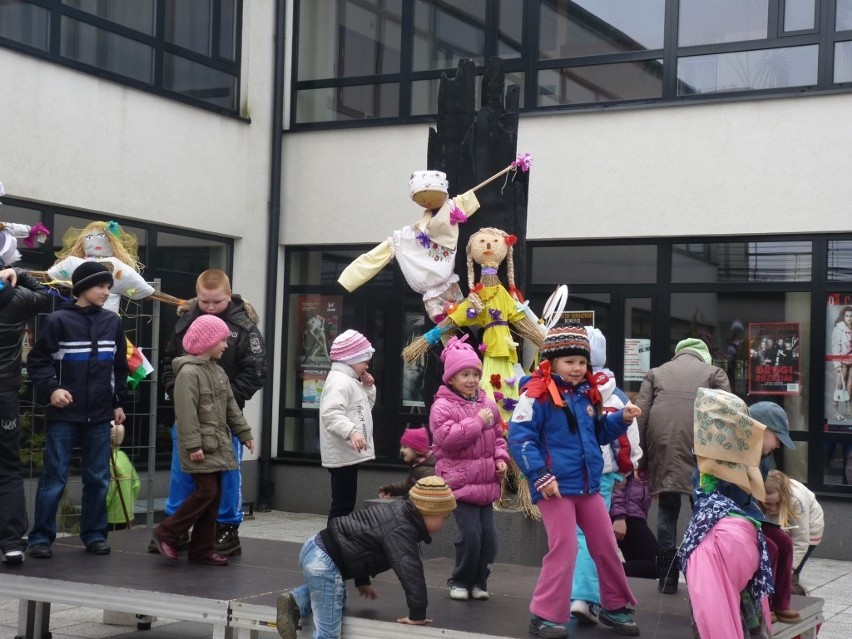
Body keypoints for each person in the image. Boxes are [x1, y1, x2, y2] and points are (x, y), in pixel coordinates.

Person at [508, 324, 642, 638]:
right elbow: (520, 439)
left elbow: (596, 434)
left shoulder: (586, 394)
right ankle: (544, 616)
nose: (577, 368)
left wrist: (620, 419)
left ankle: (614, 606)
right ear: (551, 362)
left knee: (607, 546)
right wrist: (541, 476)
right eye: (570, 362)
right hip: (554, 488)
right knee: (564, 549)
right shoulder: (535, 394)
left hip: (588, 486)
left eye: (581, 362)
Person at [157, 269, 266, 557]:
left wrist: (225, 399)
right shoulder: (185, 320)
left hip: (225, 418)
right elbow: (170, 361)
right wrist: (177, 388)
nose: (209, 308)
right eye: (204, 302)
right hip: (188, 413)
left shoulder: (245, 327)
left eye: (216, 302)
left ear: (228, 296)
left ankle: (226, 529)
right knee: (182, 474)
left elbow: (255, 372)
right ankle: (175, 528)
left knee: (226, 477)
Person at [26, 261, 128, 559]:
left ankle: (95, 535)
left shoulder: (113, 322)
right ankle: (41, 538)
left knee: (98, 477)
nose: (106, 292)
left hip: (99, 414)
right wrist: (52, 389)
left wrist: (118, 402)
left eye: (109, 287)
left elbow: (119, 368)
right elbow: (38, 360)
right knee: (54, 476)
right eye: (101, 286)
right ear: (82, 288)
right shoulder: (58, 321)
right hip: (64, 414)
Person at [275, 475, 458, 639]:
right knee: (328, 633)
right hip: (325, 561)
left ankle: (295, 600)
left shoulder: (399, 511)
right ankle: (295, 602)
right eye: (445, 517)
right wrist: (417, 615)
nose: (444, 523)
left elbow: (360, 539)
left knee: (335, 594)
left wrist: (362, 580)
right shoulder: (402, 528)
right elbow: (410, 571)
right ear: (428, 511)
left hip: (317, 548)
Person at [151, 314, 254, 565]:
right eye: (222, 340)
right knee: (206, 490)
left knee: (214, 496)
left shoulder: (218, 372)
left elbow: (231, 407)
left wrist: (244, 433)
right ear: (208, 341)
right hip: (200, 446)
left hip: (217, 444)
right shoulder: (188, 374)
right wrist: (193, 445)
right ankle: (167, 532)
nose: (226, 345)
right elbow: (186, 414)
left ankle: (201, 550)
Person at [635, 336, 731, 593]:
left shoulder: (656, 373)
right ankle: (703, 573)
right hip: (702, 447)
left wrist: (641, 461)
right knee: (704, 510)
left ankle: (667, 577)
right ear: (704, 356)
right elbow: (729, 413)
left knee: (667, 509)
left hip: (663, 444)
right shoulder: (715, 373)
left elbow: (640, 418)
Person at [678, 388, 775, 639]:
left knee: (720, 595)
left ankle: (749, 625)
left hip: (724, 535)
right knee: (722, 594)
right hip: (723, 537)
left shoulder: (739, 460)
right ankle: (752, 626)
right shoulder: (709, 467)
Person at [570, 327, 641, 625]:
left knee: (581, 536)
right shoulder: (618, 394)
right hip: (607, 475)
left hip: (575, 472)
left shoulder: (574, 390)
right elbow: (632, 439)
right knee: (594, 535)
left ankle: (584, 596)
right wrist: (630, 467)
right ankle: (594, 597)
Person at [429, 335, 508, 601]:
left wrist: (501, 459)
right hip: (459, 484)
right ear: (451, 378)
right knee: (471, 535)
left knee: (490, 541)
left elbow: (498, 437)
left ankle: (479, 582)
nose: (472, 379)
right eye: (465, 374)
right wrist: (476, 422)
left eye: (475, 373)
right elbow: (448, 441)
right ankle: (460, 581)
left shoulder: (487, 404)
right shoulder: (442, 406)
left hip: (486, 484)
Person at [0, 250, 54, 564]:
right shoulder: (18, 297)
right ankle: (11, 543)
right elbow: (45, 294)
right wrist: (18, 274)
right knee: (8, 468)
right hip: (4, 394)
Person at [319, 329, 376, 523]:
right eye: (364, 360)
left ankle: (337, 542)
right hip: (343, 453)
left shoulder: (350, 381)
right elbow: (331, 414)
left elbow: (364, 409)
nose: (367, 365)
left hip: (348, 453)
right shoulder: (340, 382)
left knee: (344, 503)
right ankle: (333, 544)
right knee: (342, 505)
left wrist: (368, 388)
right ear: (351, 358)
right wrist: (352, 432)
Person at [761, 470, 824, 595]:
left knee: (788, 576)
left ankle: (794, 601)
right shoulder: (753, 495)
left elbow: (801, 541)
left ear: (783, 497)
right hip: (780, 528)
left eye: (777, 503)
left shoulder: (796, 500)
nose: (773, 508)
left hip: (807, 531)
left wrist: (790, 568)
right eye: (768, 504)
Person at [610, 472, 658, 580]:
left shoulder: (644, 463)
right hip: (626, 517)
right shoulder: (630, 458)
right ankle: (605, 570)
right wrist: (619, 517)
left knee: (644, 567)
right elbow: (616, 486)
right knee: (658, 564)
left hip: (634, 516)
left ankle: (605, 571)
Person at [377, 427, 436, 498]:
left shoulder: (427, 471)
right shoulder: (417, 465)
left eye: (405, 447)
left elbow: (420, 496)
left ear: (416, 449)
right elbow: (409, 486)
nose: (401, 450)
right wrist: (390, 489)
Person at [106, 422, 141, 530]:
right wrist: (129, 501)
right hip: (126, 511)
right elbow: (137, 484)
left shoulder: (108, 460)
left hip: (111, 514)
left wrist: (97, 508)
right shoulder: (123, 457)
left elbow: (108, 490)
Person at [830, 306, 852, 421]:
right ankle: (835, 410)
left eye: (851, 316)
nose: (849, 318)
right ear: (843, 316)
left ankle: (849, 408)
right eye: (847, 316)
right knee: (839, 385)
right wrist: (837, 364)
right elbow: (835, 347)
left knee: (849, 386)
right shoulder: (838, 329)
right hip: (841, 361)